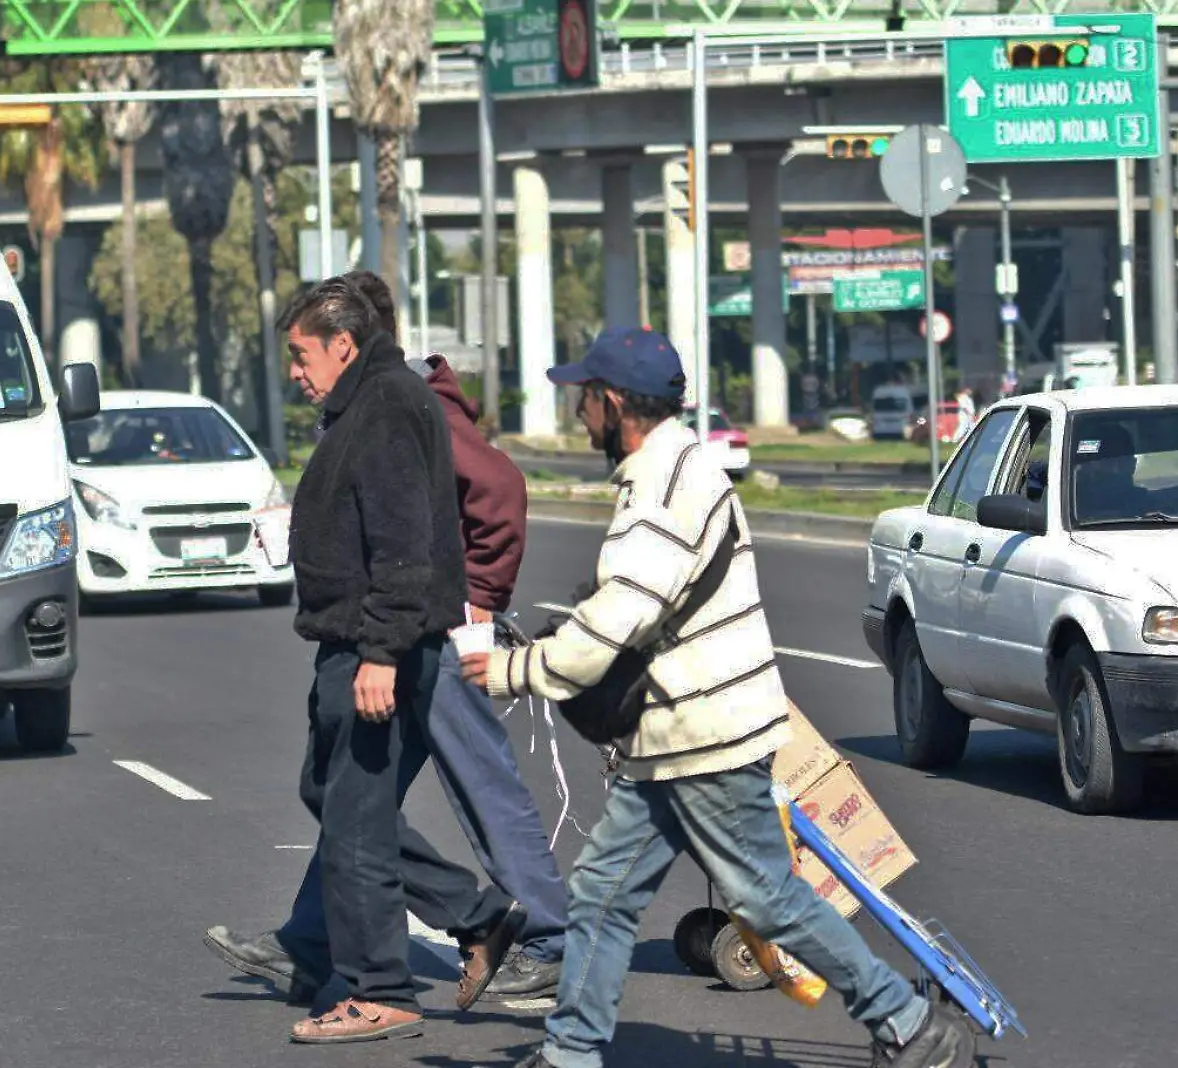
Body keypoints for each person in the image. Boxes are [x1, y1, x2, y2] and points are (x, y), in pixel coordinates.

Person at [460, 326, 978, 1068]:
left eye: (583, 400)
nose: (578, 416)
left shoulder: (664, 493)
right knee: (605, 893)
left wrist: (512, 670)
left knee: (767, 899)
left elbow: (616, 622)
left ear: (612, 403)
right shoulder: (675, 468)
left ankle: (906, 1022)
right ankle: (571, 1052)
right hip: (675, 735)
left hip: (706, 736)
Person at [205, 274, 568, 1004]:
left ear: (351, 340)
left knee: (470, 789)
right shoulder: (363, 403)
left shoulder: (402, 402)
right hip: (397, 623)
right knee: (346, 800)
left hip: (425, 628)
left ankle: (542, 934)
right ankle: (313, 943)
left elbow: (488, 499)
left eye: (304, 358)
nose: (298, 376)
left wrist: (478, 605)